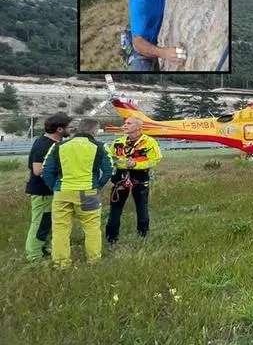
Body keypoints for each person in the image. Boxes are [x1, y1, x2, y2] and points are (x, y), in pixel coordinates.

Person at [40, 118, 112, 268]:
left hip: (63, 191)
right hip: (89, 191)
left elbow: (46, 170)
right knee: (92, 227)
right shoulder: (100, 146)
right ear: (94, 131)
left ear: (79, 129)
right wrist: (97, 185)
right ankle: (94, 261)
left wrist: (55, 187)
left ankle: (61, 263)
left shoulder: (58, 146)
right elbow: (108, 169)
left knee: (60, 229)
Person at [105, 117, 162, 244]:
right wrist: (120, 164)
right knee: (115, 207)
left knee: (142, 206)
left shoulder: (149, 142)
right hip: (121, 176)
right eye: (125, 123)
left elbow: (155, 159)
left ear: (138, 127)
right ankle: (111, 239)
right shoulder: (118, 141)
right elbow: (110, 157)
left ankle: (143, 236)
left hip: (140, 176)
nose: (125, 125)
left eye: (129, 123)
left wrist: (136, 164)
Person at [24, 112, 72, 262]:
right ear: (59, 129)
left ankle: (43, 249)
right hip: (42, 191)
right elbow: (37, 170)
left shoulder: (51, 143)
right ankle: (34, 255)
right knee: (40, 223)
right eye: (68, 127)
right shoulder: (44, 145)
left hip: (49, 190)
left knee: (47, 222)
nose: (71, 129)